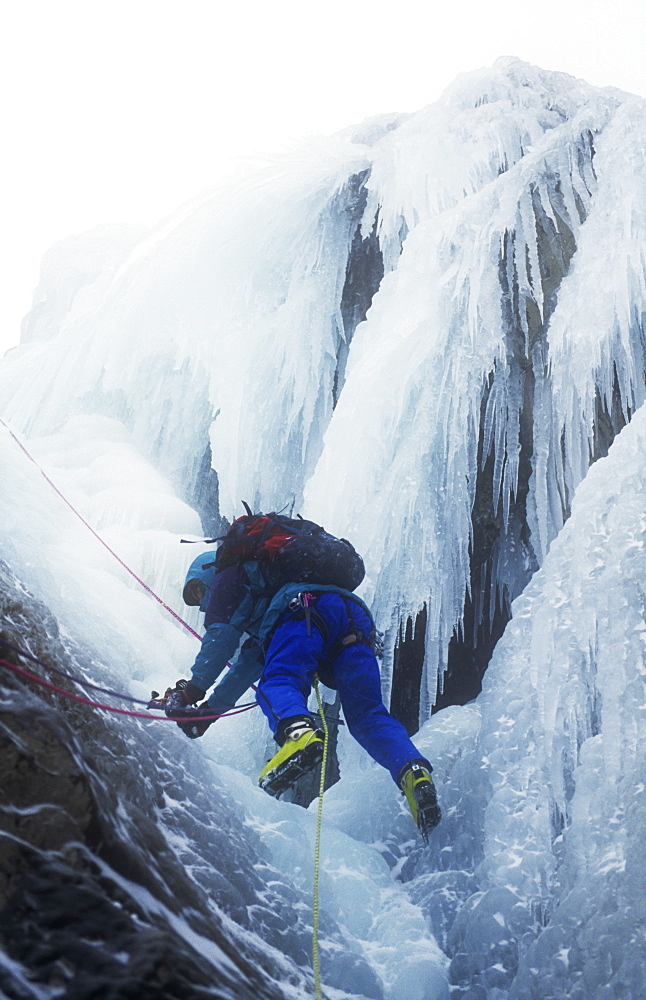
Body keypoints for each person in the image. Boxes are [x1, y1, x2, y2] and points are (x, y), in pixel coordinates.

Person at [168, 547, 442, 839]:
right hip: (355, 618)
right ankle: (413, 771)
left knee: (278, 682)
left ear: (206, 575)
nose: (201, 604)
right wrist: (208, 713)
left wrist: (191, 693)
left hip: (306, 608)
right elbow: (247, 666)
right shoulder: (264, 596)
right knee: (367, 715)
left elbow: (220, 640)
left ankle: (298, 734)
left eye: (198, 592)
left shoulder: (228, 578)